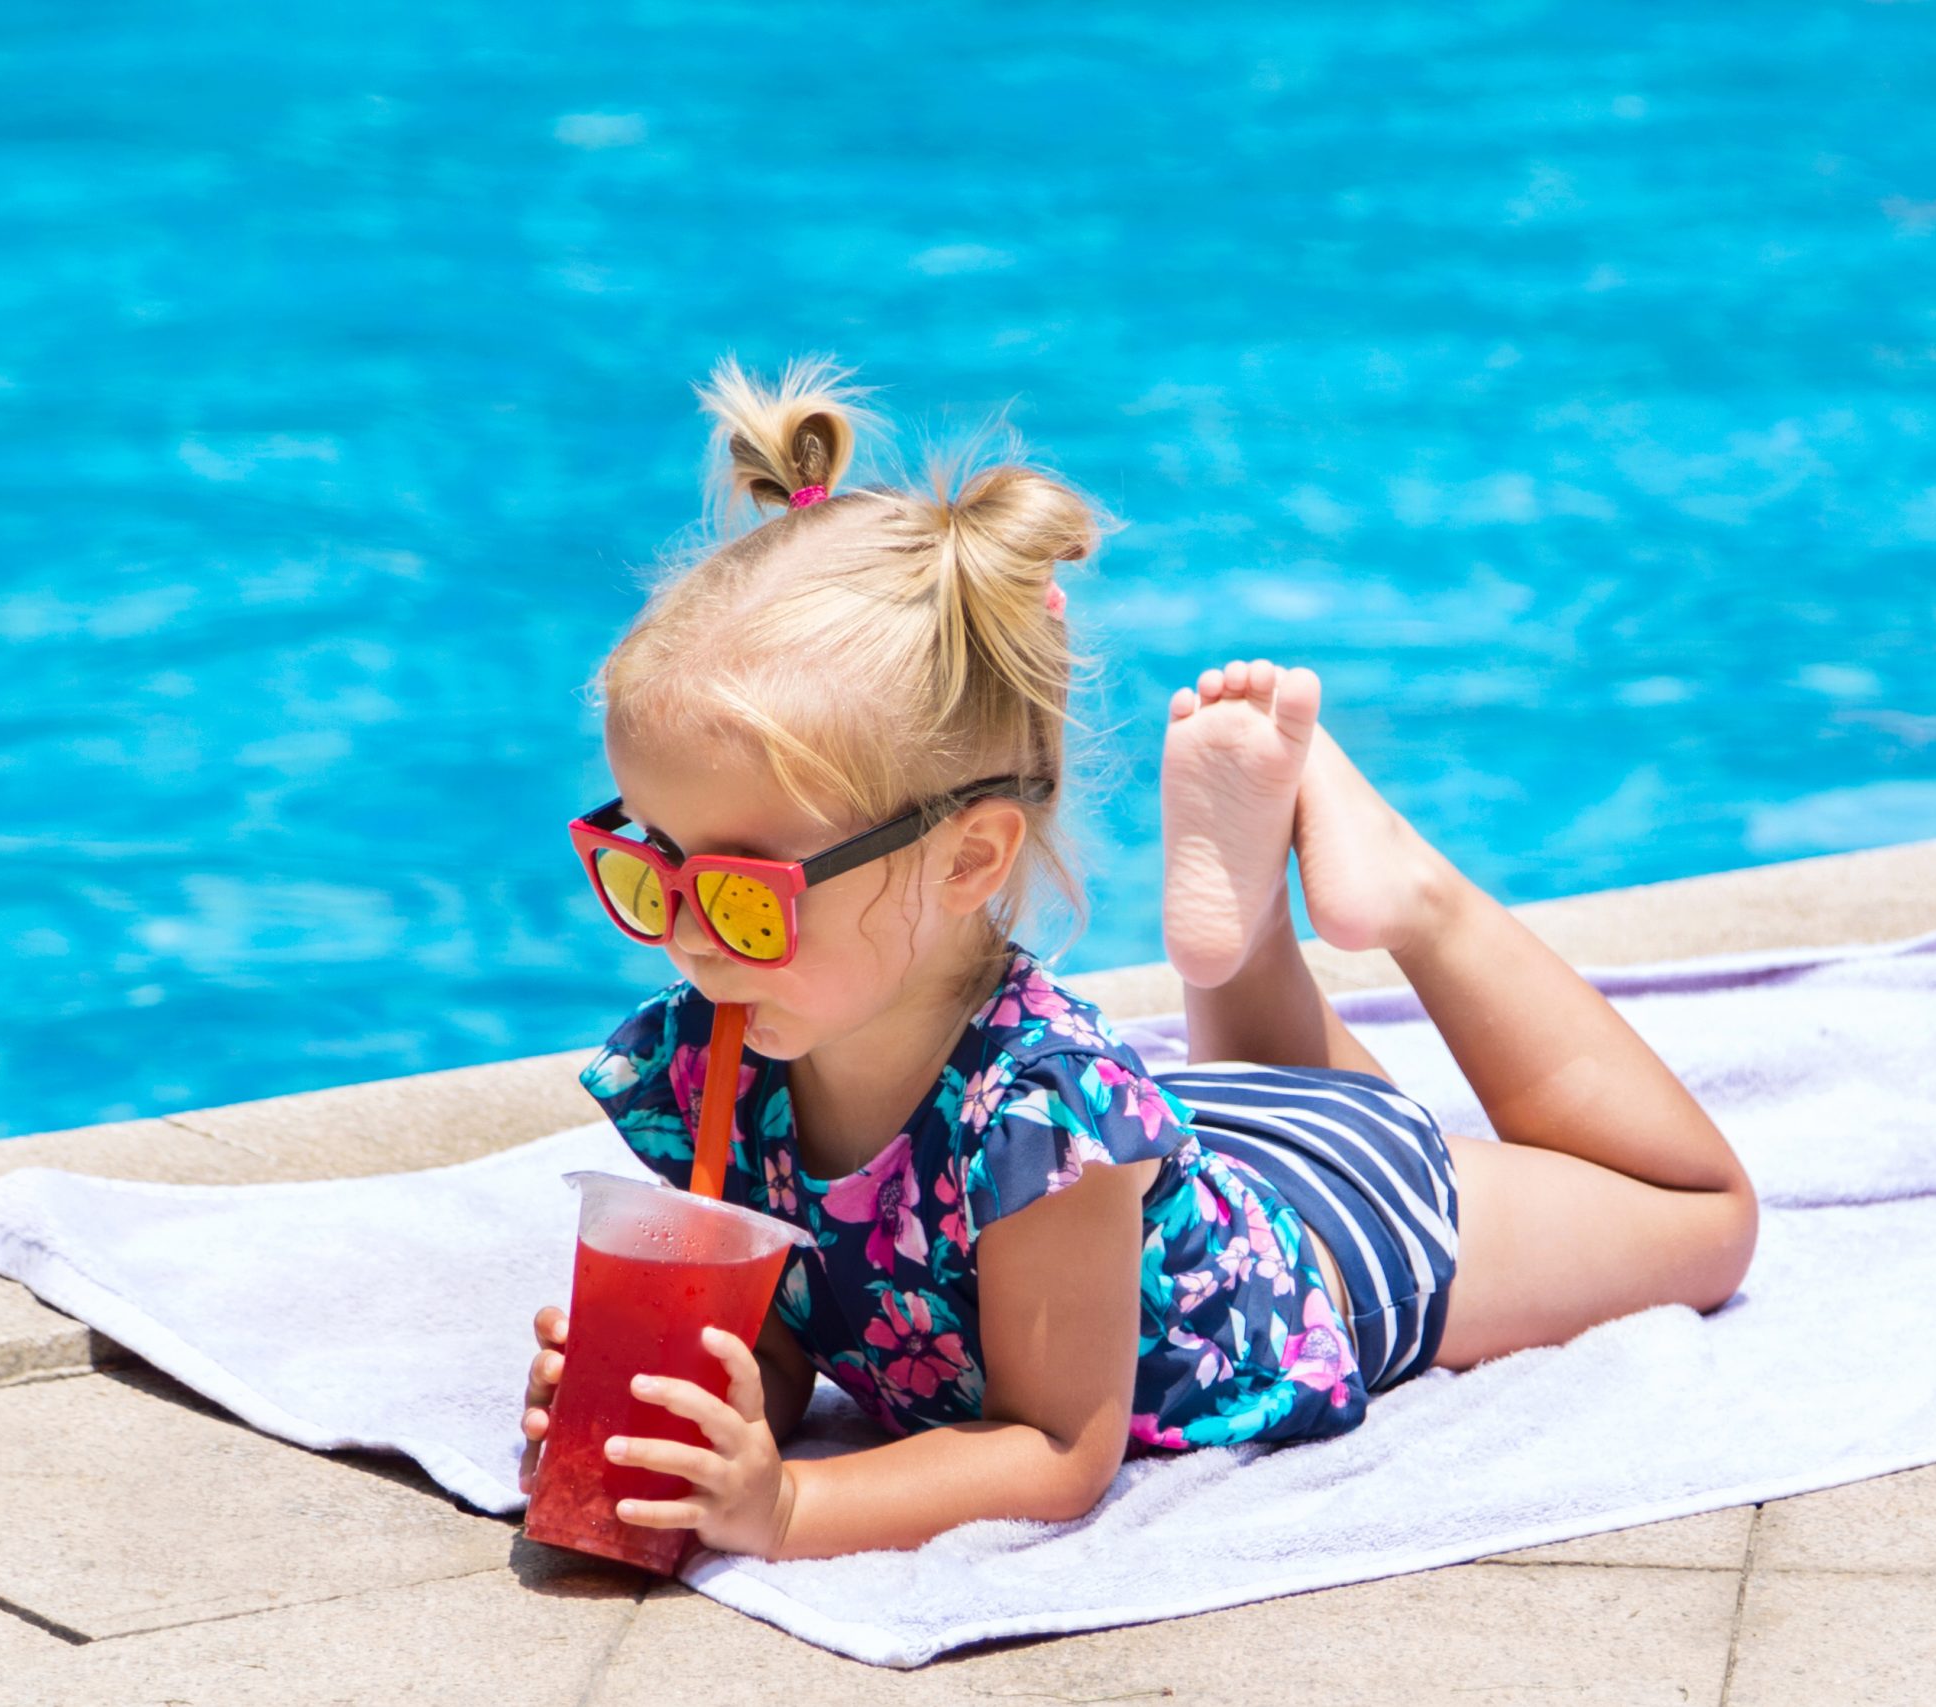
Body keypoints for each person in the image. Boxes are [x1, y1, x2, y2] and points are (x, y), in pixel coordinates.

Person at [517, 356, 1758, 1562]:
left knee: (1702, 1223)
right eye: (647, 862)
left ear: (966, 862)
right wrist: (704, 1422)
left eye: (742, 894)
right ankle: (1250, 925)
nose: (682, 933)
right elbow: (794, 1325)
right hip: (1194, 1146)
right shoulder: (720, 1054)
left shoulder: (1043, 1119)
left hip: (1333, 1233)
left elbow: (1055, 1447)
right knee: (1235, 1120)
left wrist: (782, 1511)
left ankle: (1415, 896)